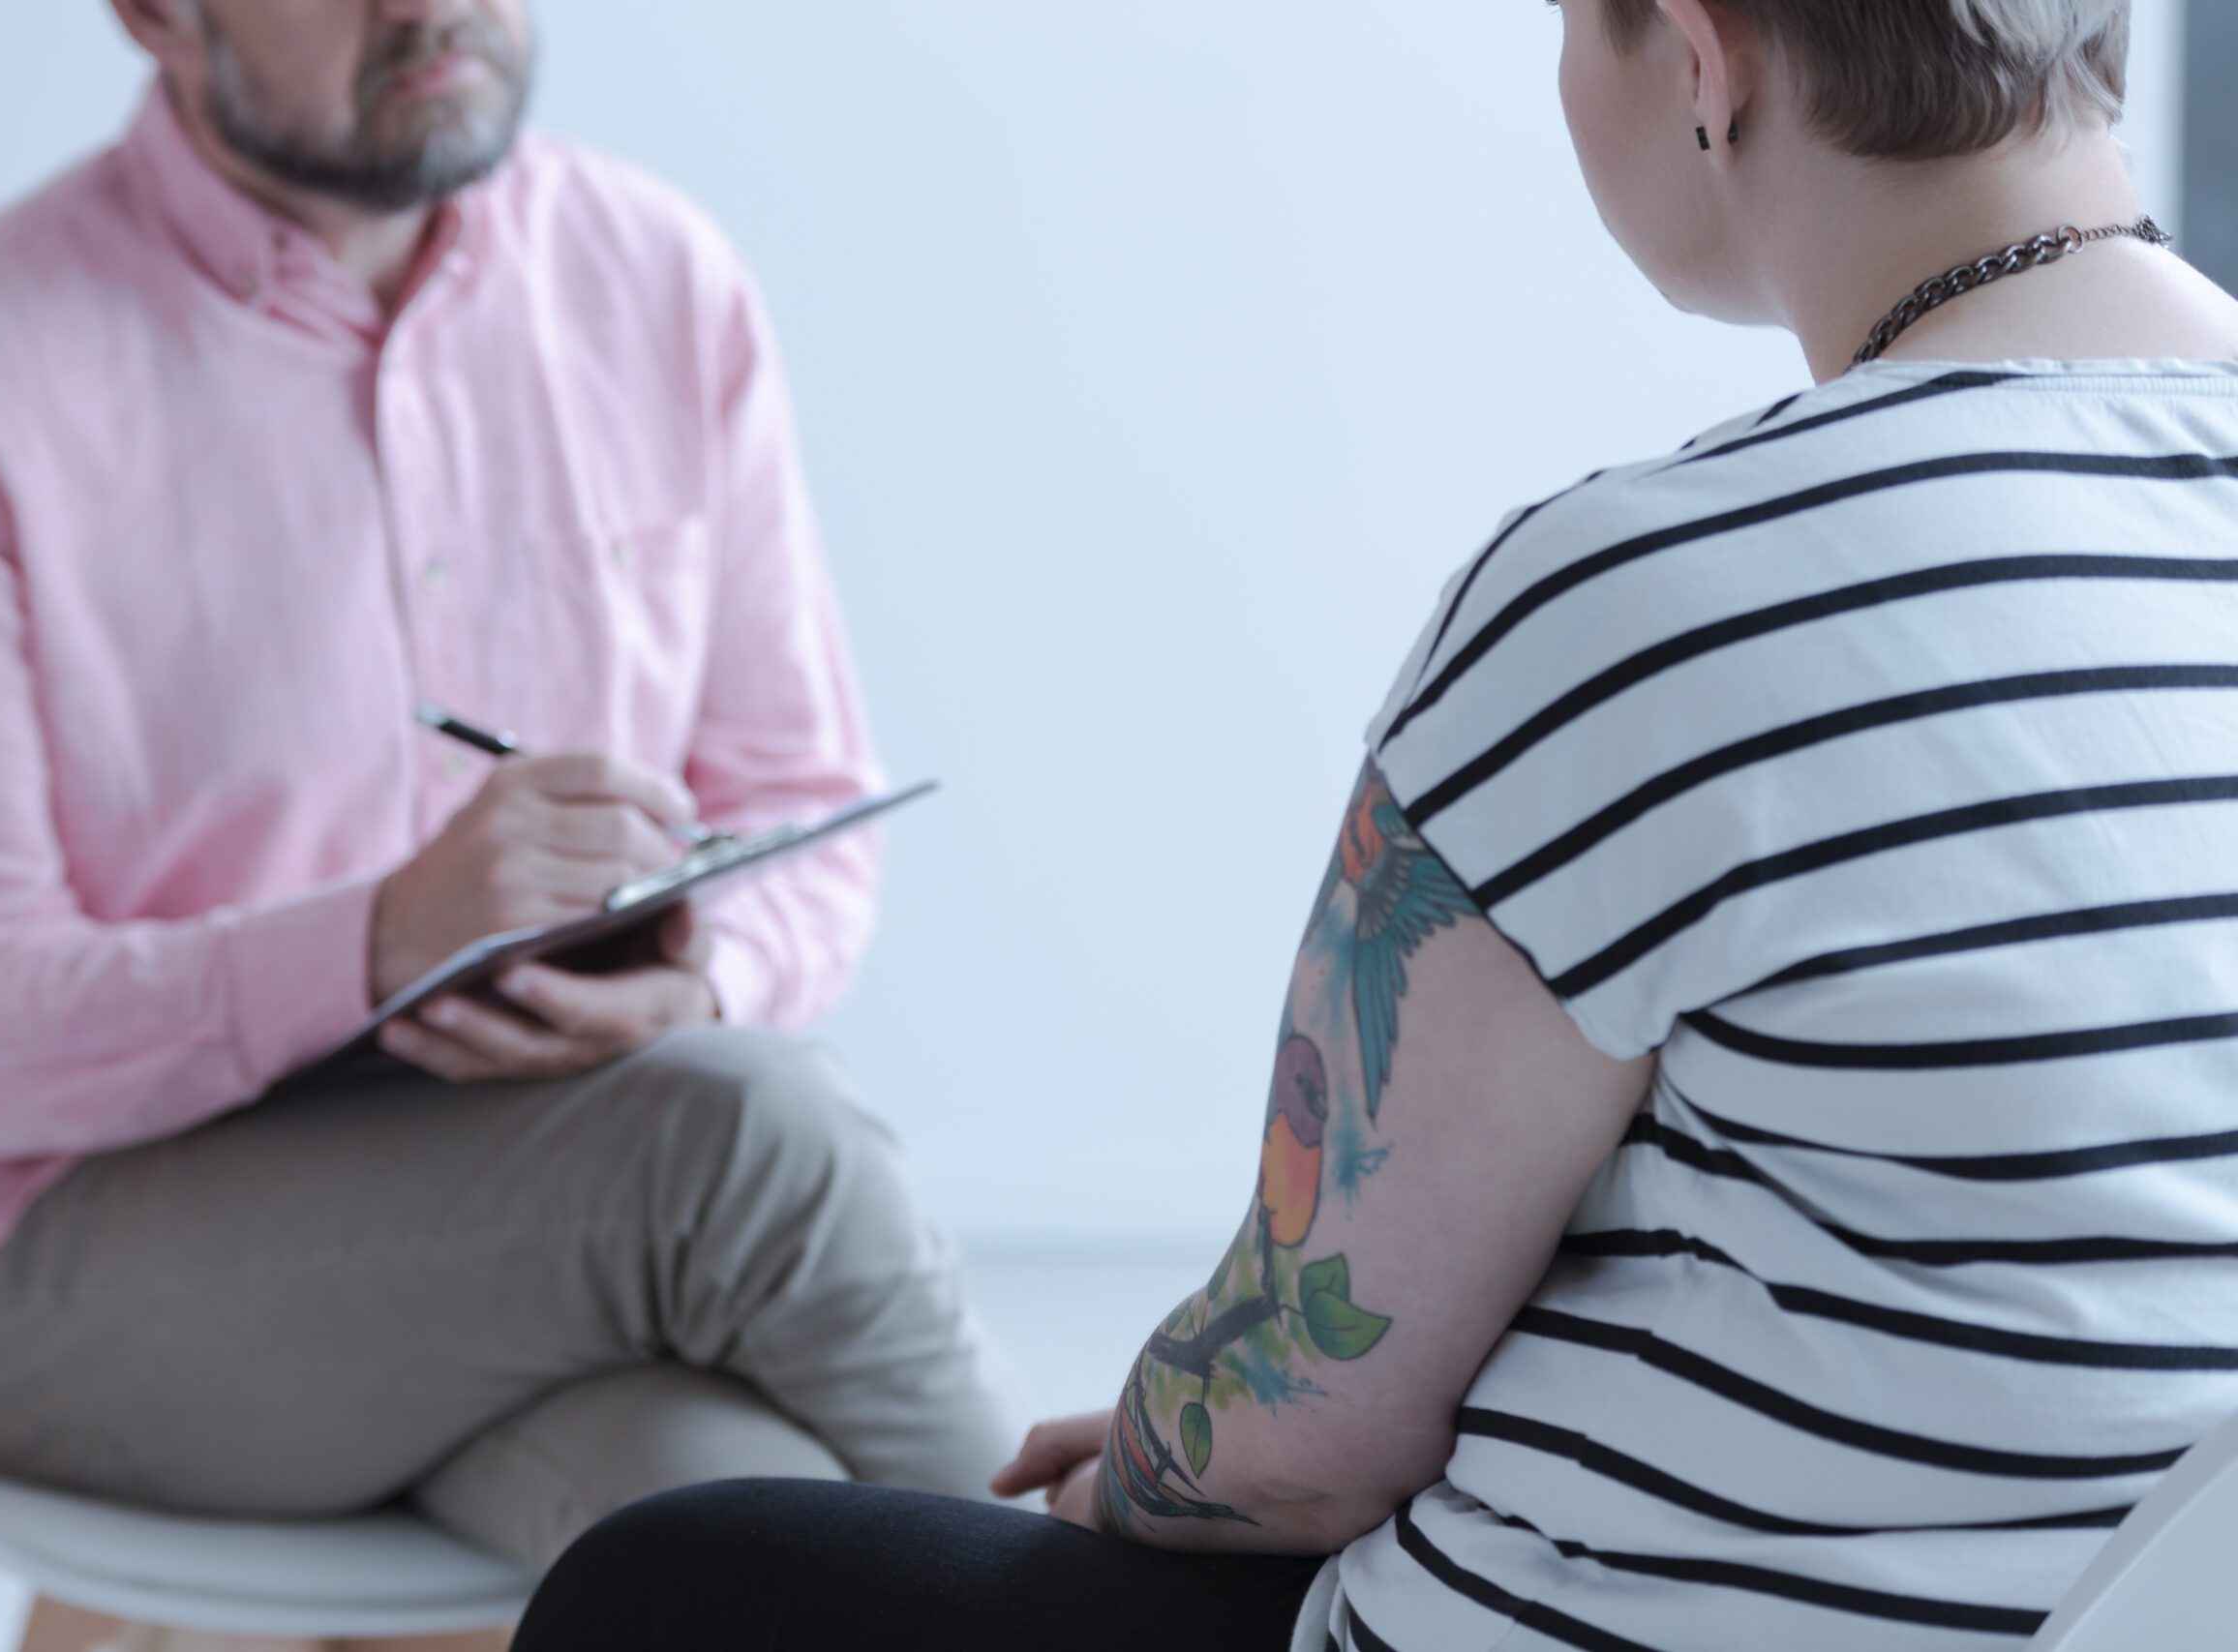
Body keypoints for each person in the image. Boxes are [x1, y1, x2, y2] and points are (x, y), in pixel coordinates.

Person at [514, 0, 2238, 1645]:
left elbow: (1296, 1426)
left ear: (1706, 58)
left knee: (670, 1582)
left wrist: (1142, 1462)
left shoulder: (1657, 599)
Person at [0, 0, 1018, 1573]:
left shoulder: (657, 276)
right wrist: (373, 939)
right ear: (157, 15)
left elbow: (797, 800)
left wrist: (701, 973)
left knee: (729, 1515)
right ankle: (1121, 1593)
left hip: (533, 1199)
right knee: (743, 1138)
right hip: (63, 1259)